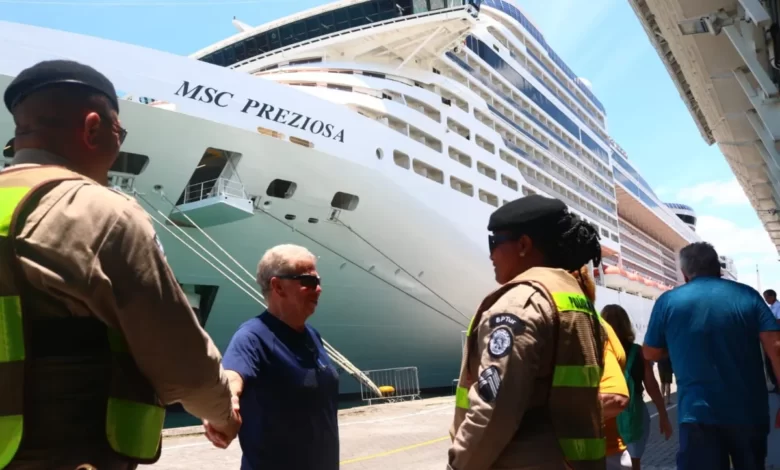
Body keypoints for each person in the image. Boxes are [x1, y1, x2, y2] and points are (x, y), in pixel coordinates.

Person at [0, 59, 241, 470]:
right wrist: (223, 413)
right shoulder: (104, 214)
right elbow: (183, 365)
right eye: (120, 133)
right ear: (93, 127)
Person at [448, 195, 607, 469]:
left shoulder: (519, 305)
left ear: (523, 245)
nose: (491, 255)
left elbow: (493, 412)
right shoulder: (576, 301)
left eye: (494, 243)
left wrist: (457, 466)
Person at [644, 242, 780, 470]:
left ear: (684, 273)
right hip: (749, 412)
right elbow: (776, 348)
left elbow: (650, 352)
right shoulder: (748, 295)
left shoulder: (668, 301)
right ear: (718, 268)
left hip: (697, 414)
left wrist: (676, 345)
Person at [214, 244, 339, 470]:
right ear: (278, 286)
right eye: (309, 281)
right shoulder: (252, 336)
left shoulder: (313, 336)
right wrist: (224, 405)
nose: (318, 289)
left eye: (318, 281)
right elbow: (232, 376)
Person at [602, 304, 672, 470]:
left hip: (608, 415)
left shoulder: (599, 351)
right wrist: (663, 415)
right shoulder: (638, 352)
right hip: (636, 414)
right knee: (634, 463)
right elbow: (652, 387)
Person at [763, 289, 780, 391]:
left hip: (776, 337)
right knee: (769, 362)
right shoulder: (770, 308)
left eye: (766, 298)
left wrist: (768, 323)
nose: (766, 300)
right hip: (769, 337)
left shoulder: (778, 307)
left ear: (772, 296)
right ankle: (776, 384)